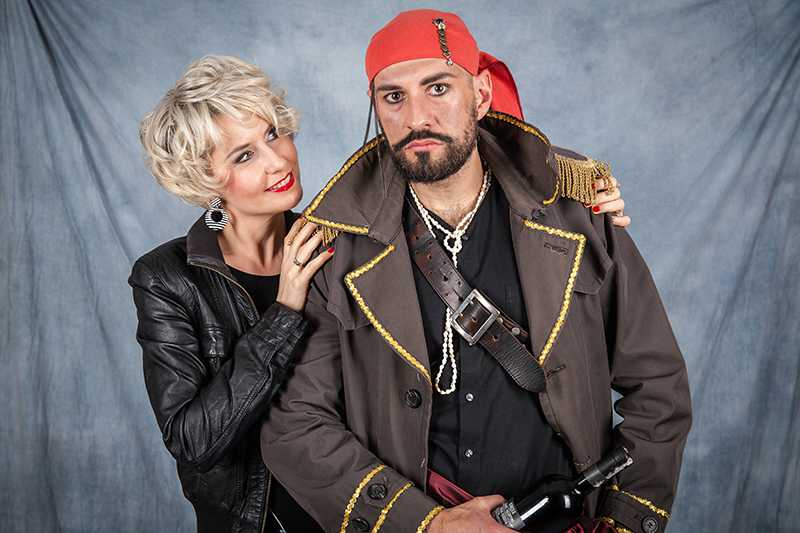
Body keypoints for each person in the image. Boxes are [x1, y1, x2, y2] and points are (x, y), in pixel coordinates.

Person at [260, 9, 691, 533]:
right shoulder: (336, 248)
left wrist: (624, 521)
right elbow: (295, 427)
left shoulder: (577, 212)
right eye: (393, 97)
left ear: (481, 95)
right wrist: (427, 524)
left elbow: (658, 386)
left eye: (438, 88)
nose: (416, 117)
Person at [128, 56, 332, 533]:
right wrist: (286, 308)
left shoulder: (332, 245)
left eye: (273, 134)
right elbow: (194, 442)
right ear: (205, 181)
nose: (277, 160)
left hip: (351, 514)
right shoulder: (167, 278)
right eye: (244, 156)